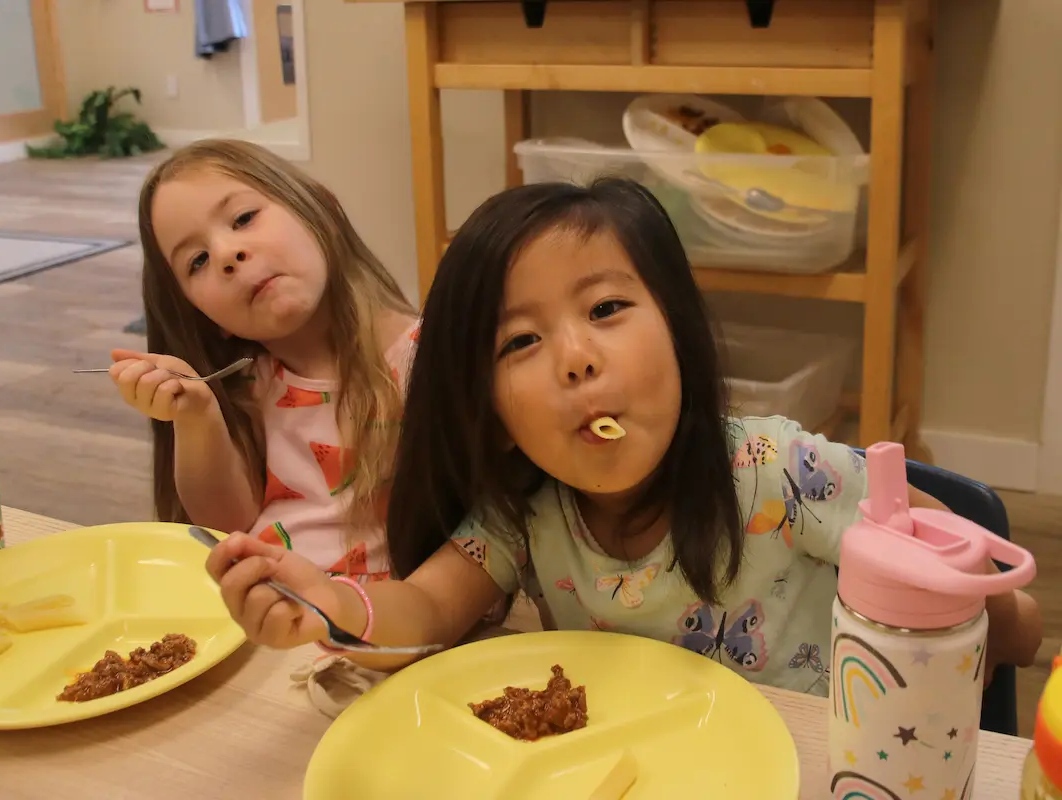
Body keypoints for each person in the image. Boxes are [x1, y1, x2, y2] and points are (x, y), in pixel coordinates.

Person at [204, 178, 1042, 694]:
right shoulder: (519, 513)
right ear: (492, 418)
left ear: (677, 334)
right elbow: (421, 605)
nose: (575, 360)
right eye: (519, 343)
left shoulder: (783, 472)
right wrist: (328, 603)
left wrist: (970, 609)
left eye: (606, 310)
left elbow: (1011, 624)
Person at [111, 139, 418, 582]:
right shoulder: (251, 387)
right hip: (266, 619)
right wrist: (197, 416)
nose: (226, 255)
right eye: (197, 261)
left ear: (322, 210)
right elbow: (224, 525)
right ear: (207, 319)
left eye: (243, 218)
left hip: (391, 628)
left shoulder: (429, 356)